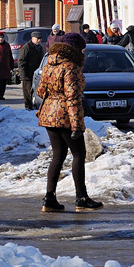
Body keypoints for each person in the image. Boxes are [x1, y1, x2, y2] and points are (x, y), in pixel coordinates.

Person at [36, 32, 102, 212]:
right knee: (79, 154)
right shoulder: (71, 67)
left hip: (48, 115)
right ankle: (81, 198)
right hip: (65, 115)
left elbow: (41, 91)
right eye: (82, 49)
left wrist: (53, 98)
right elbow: (72, 98)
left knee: (58, 156)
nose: (84, 52)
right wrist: (76, 125)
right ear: (75, 49)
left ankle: (49, 199)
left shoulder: (50, 63)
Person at [18, 31, 46, 111]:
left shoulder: (40, 48)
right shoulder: (27, 47)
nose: (39, 40)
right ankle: (28, 107)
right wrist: (23, 75)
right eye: (37, 39)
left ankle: (35, 106)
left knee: (36, 91)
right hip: (28, 74)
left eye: (40, 39)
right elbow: (21, 61)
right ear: (32, 38)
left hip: (37, 74)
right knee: (28, 92)